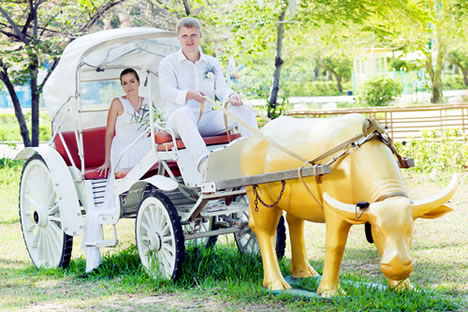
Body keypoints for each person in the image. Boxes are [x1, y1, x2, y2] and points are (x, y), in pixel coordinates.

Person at [158, 17, 258, 177]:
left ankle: (256, 156)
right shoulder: (168, 63)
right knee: (184, 112)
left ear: (200, 36)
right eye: (184, 36)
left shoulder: (212, 62)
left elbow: (222, 89)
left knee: (242, 109)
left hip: (207, 119)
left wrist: (231, 96)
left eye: (193, 35)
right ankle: (205, 165)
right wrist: (189, 94)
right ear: (178, 37)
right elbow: (166, 92)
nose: (189, 40)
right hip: (179, 120)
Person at [81, 68, 152, 274]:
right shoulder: (117, 103)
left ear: (139, 82)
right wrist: (106, 160)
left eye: (132, 81)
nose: (129, 86)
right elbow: (110, 132)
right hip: (123, 150)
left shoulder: (148, 103)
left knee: (150, 144)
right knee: (139, 147)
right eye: (124, 83)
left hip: (143, 148)